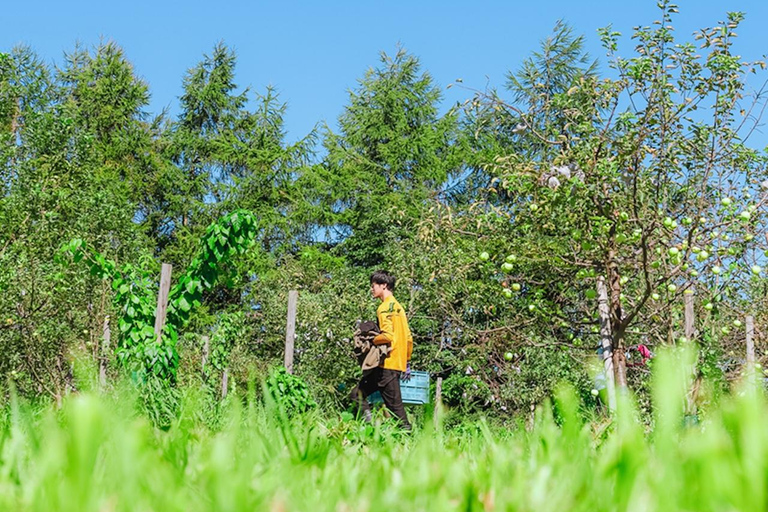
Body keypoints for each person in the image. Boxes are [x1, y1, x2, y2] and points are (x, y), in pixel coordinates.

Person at [350, 270, 413, 430]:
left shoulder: (384, 307)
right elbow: (408, 338)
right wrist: (406, 361)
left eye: (373, 286)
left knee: (397, 412)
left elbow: (388, 336)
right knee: (357, 394)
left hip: (387, 365)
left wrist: (371, 339)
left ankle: (409, 441)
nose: (372, 289)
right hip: (394, 364)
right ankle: (370, 428)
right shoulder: (399, 307)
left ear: (384, 285)